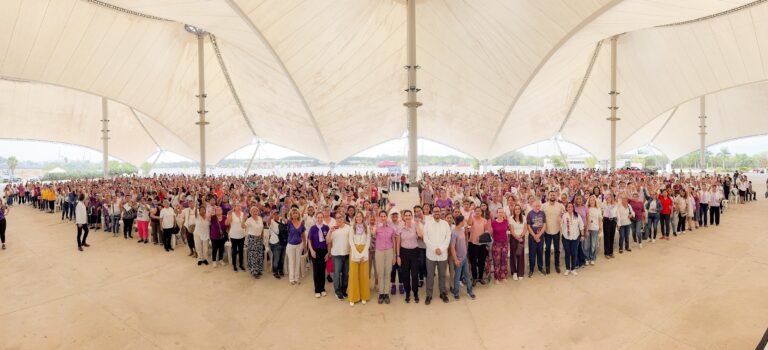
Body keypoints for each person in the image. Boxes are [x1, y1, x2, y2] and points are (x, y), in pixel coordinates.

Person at [424, 209, 451, 305]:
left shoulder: (445, 224)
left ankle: (442, 293)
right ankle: (429, 295)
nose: (437, 213)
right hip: (431, 255)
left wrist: (442, 249)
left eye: (438, 211)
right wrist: (435, 249)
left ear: (441, 213)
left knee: (442, 275)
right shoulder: (427, 224)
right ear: (432, 213)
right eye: (435, 211)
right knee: (430, 276)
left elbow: (448, 238)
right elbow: (425, 238)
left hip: (443, 255)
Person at [398, 209, 423, 303]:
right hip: (404, 252)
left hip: (414, 252)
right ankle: (407, 292)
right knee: (405, 274)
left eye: (409, 215)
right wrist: (398, 255)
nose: (408, 217)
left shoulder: (415, 225)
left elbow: (421, 235)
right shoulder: (400, 227)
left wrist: (417, 225)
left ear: (411, 216)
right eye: (406, 215)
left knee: (414, 274)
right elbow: (398, 242)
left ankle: (415, 292)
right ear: (404, 217)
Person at [373, 210, 397, 304]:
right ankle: (381, 293)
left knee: (387, 272)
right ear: (379, 217)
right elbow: (372, 233)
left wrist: (394, 254)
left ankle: (386, 293)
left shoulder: (391, 228)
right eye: (381, 216)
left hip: (389, 251)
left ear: (387, 217)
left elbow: (394, 241)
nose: (383, 218)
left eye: (384, 216)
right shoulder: (377, 227)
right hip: (379, 251)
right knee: (380, 272)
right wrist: (376, 225)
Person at [348, 212, 371, 306]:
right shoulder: (352, 228)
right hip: (354, 251)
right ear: (355, 218)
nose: (359, 218)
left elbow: (368, 240)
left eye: (360, 216)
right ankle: (353, 297)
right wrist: (357, 253)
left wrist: (363, 253)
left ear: (362, 217)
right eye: (357, 216)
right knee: (353, 275)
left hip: (364, 251)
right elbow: (350, 241)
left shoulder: (367, 227)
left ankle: (364, 296)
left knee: (363, 275)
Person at [450, 215, 474, 300]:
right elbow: (452, 247)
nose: (465, 222)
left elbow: (465, 240)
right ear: (461, 222)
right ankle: (456, 293)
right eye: (464, 221)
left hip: (464, 258)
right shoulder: (454, 233)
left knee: (467, 275)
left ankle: (470, 291)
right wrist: (455, 259)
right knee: (457, 277)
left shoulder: (462, 230)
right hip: (458, 259)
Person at [307, 211, 330, 298]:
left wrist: (328, 252)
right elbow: (309, 240)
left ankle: (322, 288)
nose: (319, 219)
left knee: (322, 270)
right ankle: (317, 289)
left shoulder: (326, 227)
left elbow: (328, 241)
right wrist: (312, 250)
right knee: (316, 271)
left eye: (321, 217)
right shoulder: (313, 228)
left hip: (323, 250)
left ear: (323, 218)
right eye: (318, 217)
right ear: (316, 218)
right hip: (315, 250)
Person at [328, 216, 351, 300]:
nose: (338, 220)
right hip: (336, 255)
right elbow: (328, 241)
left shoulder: (348, 228)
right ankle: (338, 292)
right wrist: (330, 232)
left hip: (347, 254)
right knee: (337, 274)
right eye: (337, 218)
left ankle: (344, 291)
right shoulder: (333, 229)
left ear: (343, 219)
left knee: (345, 274)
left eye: (340, 218)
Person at [542, 190, 564, 274]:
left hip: (556, 231)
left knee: (557, 249)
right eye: (551, 195)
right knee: (547, 249)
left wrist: (561, 218)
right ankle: (547, 266)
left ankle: (557, 265)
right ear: (548, 196)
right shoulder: (543, 206)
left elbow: (563, 215)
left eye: (554, 195)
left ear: (556, 196)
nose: (552, 196)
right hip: (547, 231)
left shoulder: (560, 206)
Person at [561, 202, 584, 276]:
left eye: (571, 206)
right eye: (568, 207)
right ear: (566, 208)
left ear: (573, 207)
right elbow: (561, 225)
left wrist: (582, 235)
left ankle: (573, 268)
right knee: (567, 253)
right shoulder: (564, 216)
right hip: (566, 237)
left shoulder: (577, 215)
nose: (570, 208)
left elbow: (581, 226)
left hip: (575, 237)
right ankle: (568, 269)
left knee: (574, 253)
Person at [467, 207, 489, 285]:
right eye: (476, 211)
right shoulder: (472, 219)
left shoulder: (484, 220)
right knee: (473, 262)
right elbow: (469, 223)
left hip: (482, 244)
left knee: (481, 261)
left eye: (479, 211)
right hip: (473, 243)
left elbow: (486, 230)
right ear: (474, 212)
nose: (477, 212)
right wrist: (470, 214)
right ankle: (474, 278)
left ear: (481, 212)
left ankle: (480, 277)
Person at [286, 208, 306, 285]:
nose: (295, 214)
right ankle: (291, 279)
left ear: (298, 215)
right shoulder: (289, 223)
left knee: (297, 262)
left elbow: (303, 236)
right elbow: (284, 218)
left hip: (299, 245)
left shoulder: (301, 224)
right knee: (292, 262)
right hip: (291, 245)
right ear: (291, 215)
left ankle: (297, 278)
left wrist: (305, 246)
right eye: (293, 213)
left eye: (296, 213)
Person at [490, 208, 510, 283]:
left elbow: (506, 230)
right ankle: (496, 278)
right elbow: (491, 233)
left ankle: (503, 276)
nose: (500, 214)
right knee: (496, 261)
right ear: (497, 213)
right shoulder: (493, 223)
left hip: (505, 243)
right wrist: (496, 239)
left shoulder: (506, 221)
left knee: (504, 260)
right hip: (496, 244)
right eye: (499, 212)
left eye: (501, 212)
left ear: (503, 213)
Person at [525, 201, 546, 277]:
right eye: (536, 206)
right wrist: (534, 236)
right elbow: (528, 226)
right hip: (532, 237)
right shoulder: (530, 214)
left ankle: (540, 267)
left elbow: (544, 225)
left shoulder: (542, 213)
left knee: (540, 252)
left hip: (541, 237)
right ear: (533, 206)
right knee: (532, 254)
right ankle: (531, 269)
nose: (537, 207)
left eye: (538, 206)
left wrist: (539, 235)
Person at [245, 207, 265, 278]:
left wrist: (262, 238)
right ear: (250, 212)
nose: (255, 212)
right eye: (253, 211)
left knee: (259, 254)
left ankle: (259, 269)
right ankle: (254, 271)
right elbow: (243, 226)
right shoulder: (249, 220)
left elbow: (262, 228)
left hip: (259, 238)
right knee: (253, 255)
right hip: (252, 239)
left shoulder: (260, 218)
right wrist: (243, 220)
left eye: (256, 211)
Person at [226, 205, 247, 272]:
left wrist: (245, 218)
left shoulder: (243, 214)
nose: (238, 207)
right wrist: (229, 215)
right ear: (234, 208)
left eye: (239, 206)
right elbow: (227, 223)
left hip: (241, 234)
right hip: (234, 235)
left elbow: (244, 224)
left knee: (241, 250)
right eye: (237, 206)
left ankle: (241, 264)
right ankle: (234, 265)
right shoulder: (231, 214)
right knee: (234, 250)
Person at [509, 204, 526, 280]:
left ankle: (520, 272)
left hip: (521, 238)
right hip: (513, 238)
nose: (517, 210)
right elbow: (511, 230)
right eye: (516, 209)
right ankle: (514, 272)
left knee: (520, 255)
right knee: (513, 255)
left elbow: (525, 229)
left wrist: (521, 236)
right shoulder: (511, 218)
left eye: (518, 209)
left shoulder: (524, 217)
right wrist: (516, 236)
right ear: (514, 210)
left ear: (520, 210)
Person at [584, 195, 601, 264]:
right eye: (590, 200)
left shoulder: (598, 209)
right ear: (589, 201)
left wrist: (600, 227)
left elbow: (600, 218)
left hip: (595, 228)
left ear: (595, 201)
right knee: (587, 244)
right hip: (588, 228)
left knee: (593, 244)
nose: (592, 201)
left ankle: (592, 258)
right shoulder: (587, 208)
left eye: (593, 200)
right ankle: (586, 258)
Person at [268, 210, 286, 278]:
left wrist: (283, 216)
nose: (276, 215)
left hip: (283, 242)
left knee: (282, 258)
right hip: (275, 242)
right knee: (276, 258)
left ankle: (280, 270)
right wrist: (270, 216)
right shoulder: (272, 221)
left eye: (277, 214)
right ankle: (275, 271)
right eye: (274, 214)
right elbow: (268, 222)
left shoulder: (282, 220)